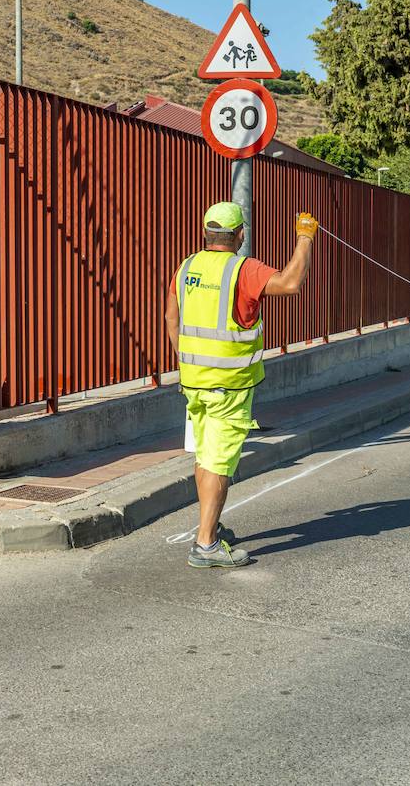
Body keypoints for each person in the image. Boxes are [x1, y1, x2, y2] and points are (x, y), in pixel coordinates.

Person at [165, 202, 317, 569]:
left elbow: (172, 317)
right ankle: (206, 544)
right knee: (219, 462)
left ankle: (210, 527)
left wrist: (188, 364)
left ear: (206, 233)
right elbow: (291, 282)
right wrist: (305, 237)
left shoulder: (187, 267)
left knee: (205, 456)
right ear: (240, 235)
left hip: (194, 382)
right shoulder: (242, 270)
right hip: (228, 386)